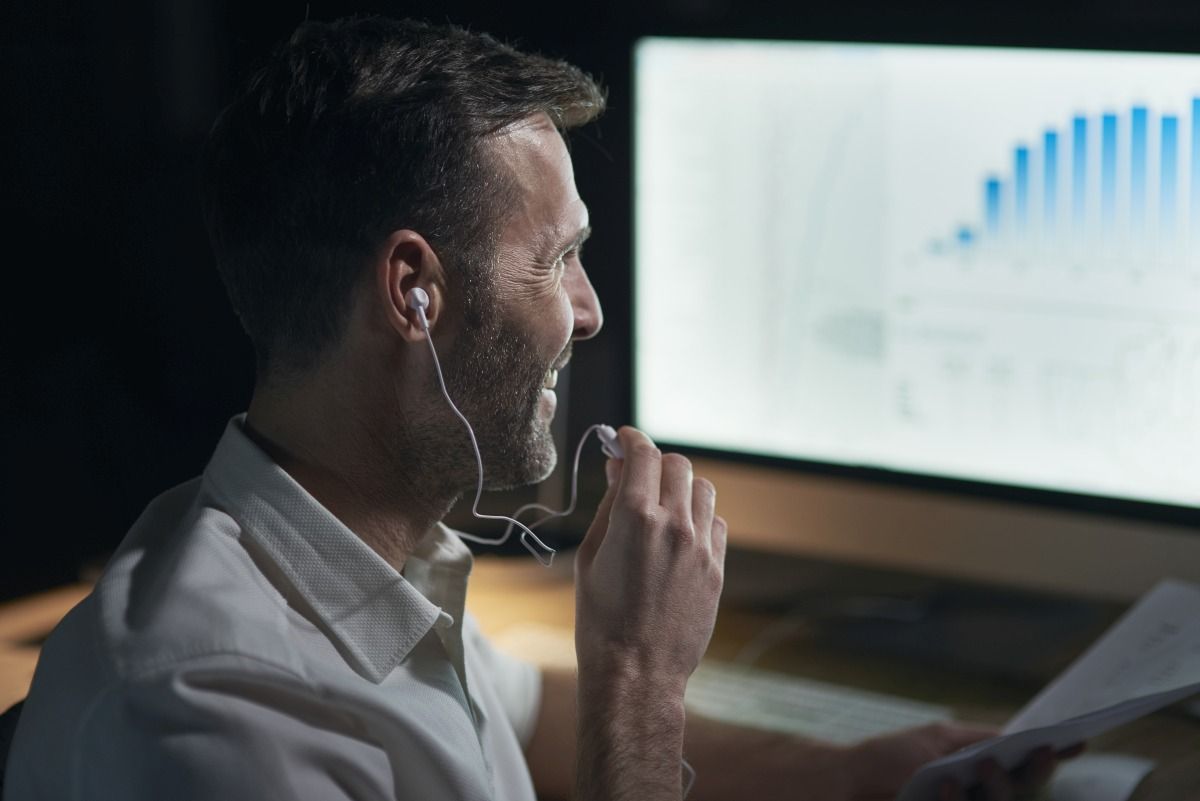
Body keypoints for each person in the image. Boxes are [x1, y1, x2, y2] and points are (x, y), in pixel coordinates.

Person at [3, 16, 1079, 801]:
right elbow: (595, 719)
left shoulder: (352, 549)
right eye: (559, 258)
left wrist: (857, 773)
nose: (591, 310)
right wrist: (640, 683)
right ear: (413, 291)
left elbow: (522, 713)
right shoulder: (218, 724)